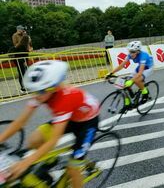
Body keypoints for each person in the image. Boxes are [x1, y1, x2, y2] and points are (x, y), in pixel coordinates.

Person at [0, 60, 100, 188]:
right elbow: (20, 122)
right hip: (69, 117)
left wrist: (25, 163)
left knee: (73, 168)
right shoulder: (42, 92)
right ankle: (51, 160)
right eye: (33, 90)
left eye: (40, 91)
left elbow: (53, 140)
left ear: (54, 87)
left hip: (87, 123)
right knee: (34, 139)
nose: (36, 95)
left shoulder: (66, 97)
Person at [106, 41, 153, 110]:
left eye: (133, 52)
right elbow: (122, 65)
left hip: (148, 68)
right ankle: (128, 103)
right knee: (124, 83)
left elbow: (140, 73)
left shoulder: (143, 56)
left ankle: (145, 92)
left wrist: (131, 80)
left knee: (136, 80)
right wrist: (111, 73)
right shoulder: (130, 55)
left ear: (138, 51)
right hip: (140, 66)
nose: (131, 54)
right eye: (130, 51)